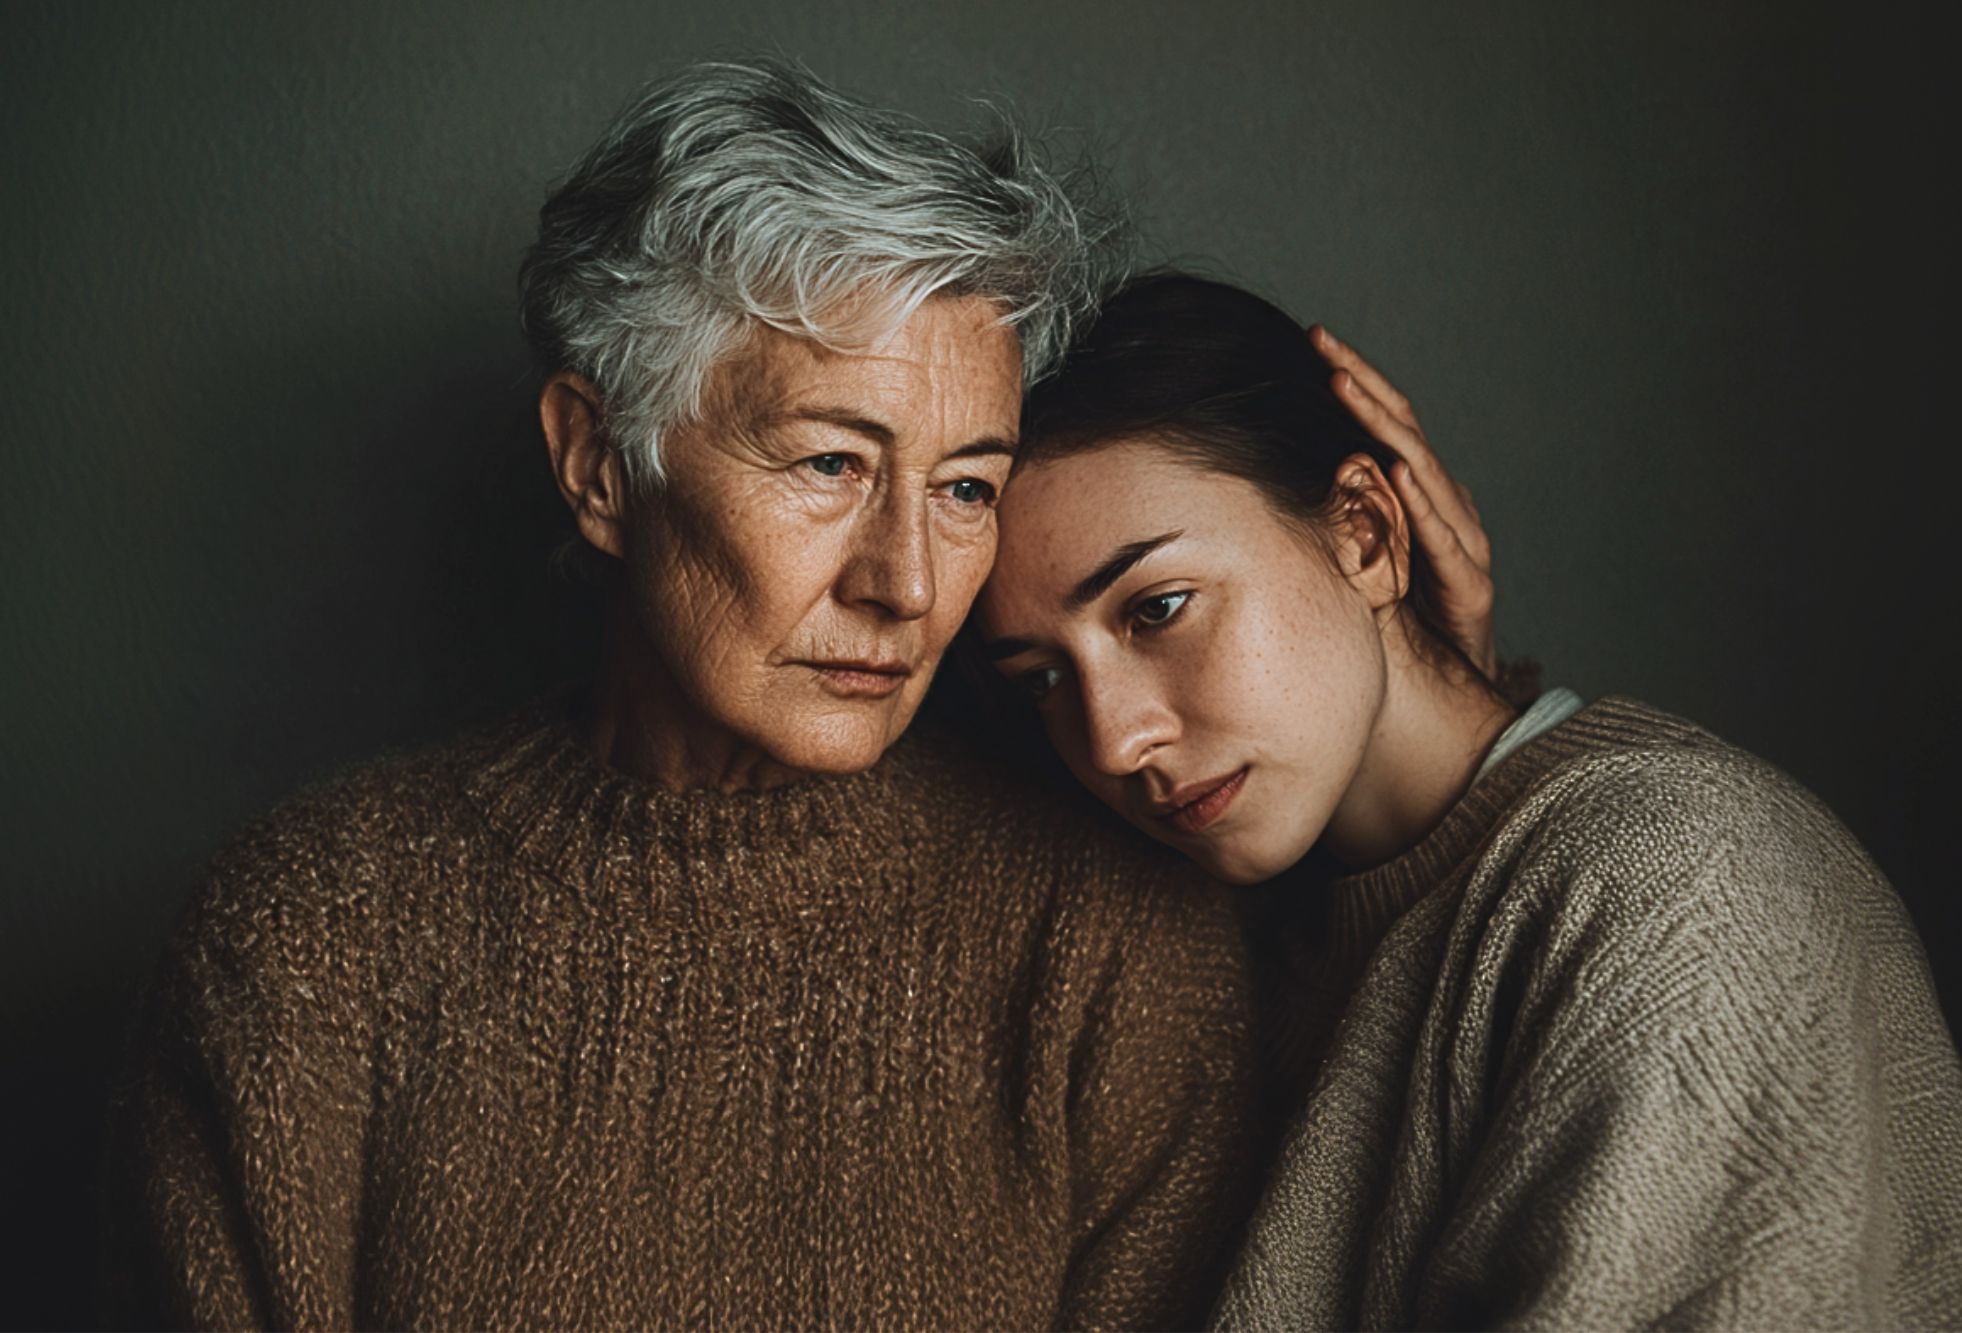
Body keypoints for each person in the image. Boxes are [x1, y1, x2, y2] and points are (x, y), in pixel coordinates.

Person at [100, 63, 1316, 1329]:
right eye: (830, 462)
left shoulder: (1105, 957)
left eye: (965, 486)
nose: (904, 584)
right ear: (597, 466)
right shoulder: (305, 946)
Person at [975, 271, 1962, 1329]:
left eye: (1159, 608)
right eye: (1041, 678)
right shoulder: (1249, 937)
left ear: (1365, 533)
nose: (1111, 737)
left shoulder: (1675, 877)